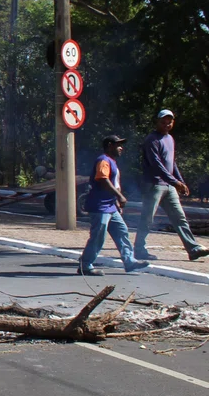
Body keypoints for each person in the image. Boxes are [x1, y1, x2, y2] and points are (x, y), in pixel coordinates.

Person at [135, 109, 209, 261]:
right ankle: (139, 250)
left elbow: (171, 163)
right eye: (163, 121)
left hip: (169, 185)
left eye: (169, 121)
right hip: (154, 185)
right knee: (147, 218)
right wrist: (174, 182)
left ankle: (193, 248)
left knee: (179, 217)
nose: (166, 124)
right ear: (157, 122)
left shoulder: (170, 139)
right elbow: (156, 165)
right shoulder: (152, 140)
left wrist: (180, 181)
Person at [78, 135, 149, 276]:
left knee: (121, 231)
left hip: (110, 206)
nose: (121, 148)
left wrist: (115, 202)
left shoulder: (112, 161)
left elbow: (112, 183)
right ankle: (85, 265)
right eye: (118, 145)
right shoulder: (103, 160)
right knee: (98, 235)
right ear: (110, 145)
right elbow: (103, 180)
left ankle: (129, 261)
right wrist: (119, 196)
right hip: (100, 206)